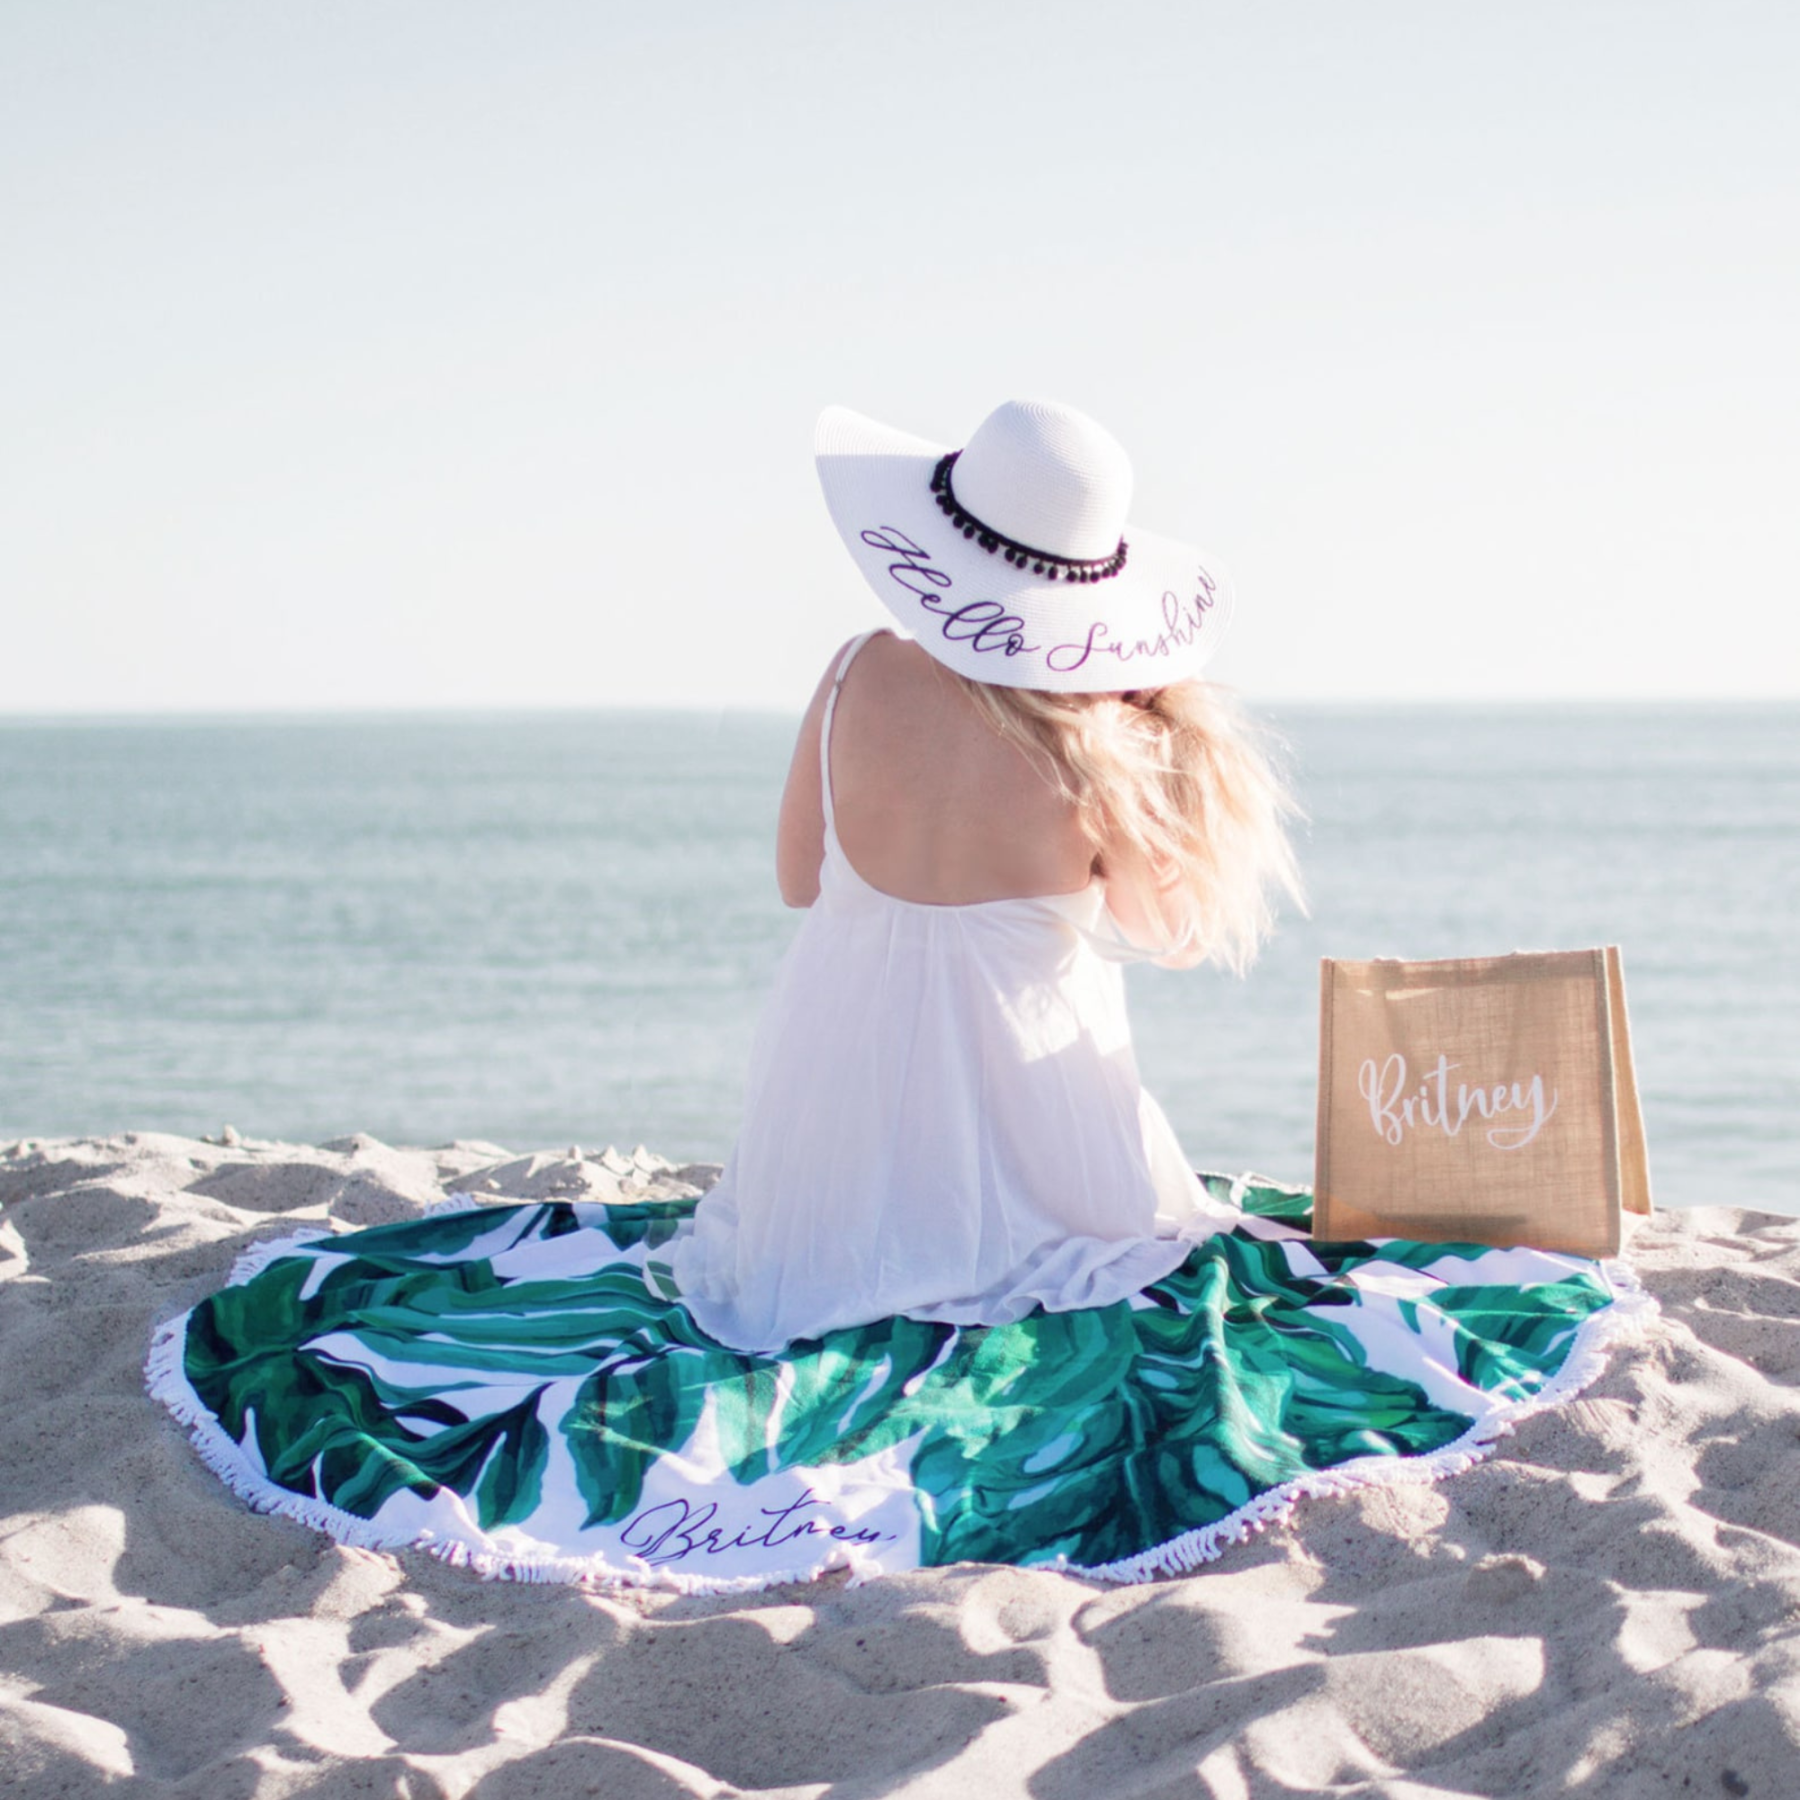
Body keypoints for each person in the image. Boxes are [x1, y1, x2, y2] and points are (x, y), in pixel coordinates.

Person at [671, 398, 1302, 1353]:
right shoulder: (1101, 739)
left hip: (837, 1125)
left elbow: (799, 881)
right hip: (1036, 1135)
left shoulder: (853, 670)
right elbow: (1169, 937)